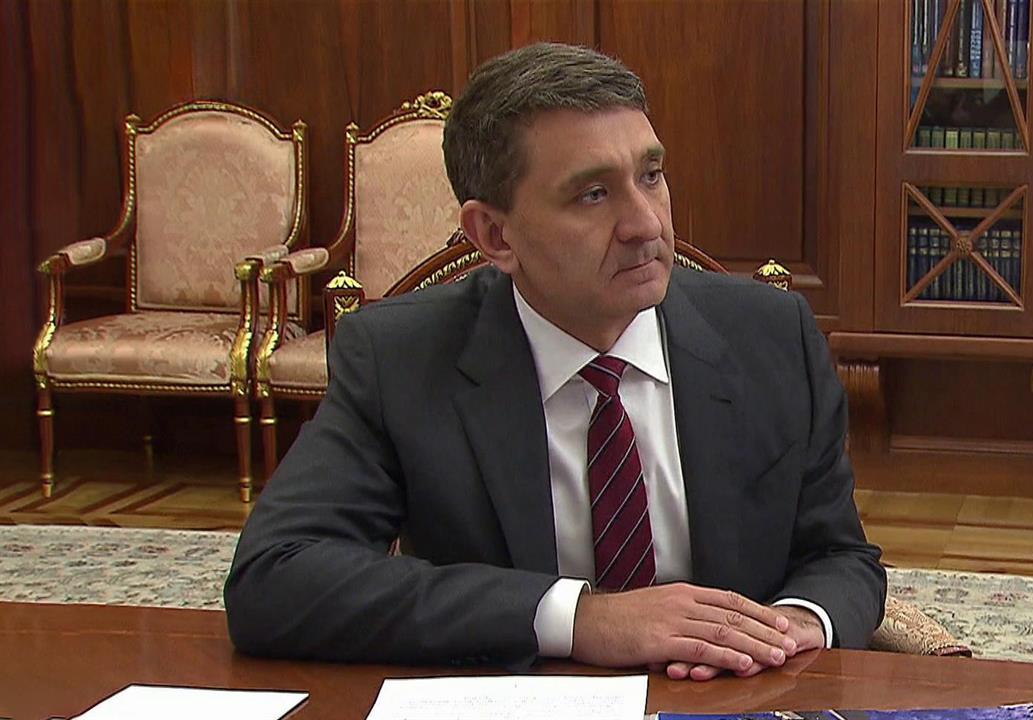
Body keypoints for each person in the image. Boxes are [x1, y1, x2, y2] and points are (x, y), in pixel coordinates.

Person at [225, 42, 885, 682]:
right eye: (592, 194)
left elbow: (839, 554)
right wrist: (579, 619)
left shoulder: (772, 337)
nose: (645, 224)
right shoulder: (401, 359)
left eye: (650, 176)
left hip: (728, 694)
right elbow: (273, 578)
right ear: (494, 235)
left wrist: (793, 623)